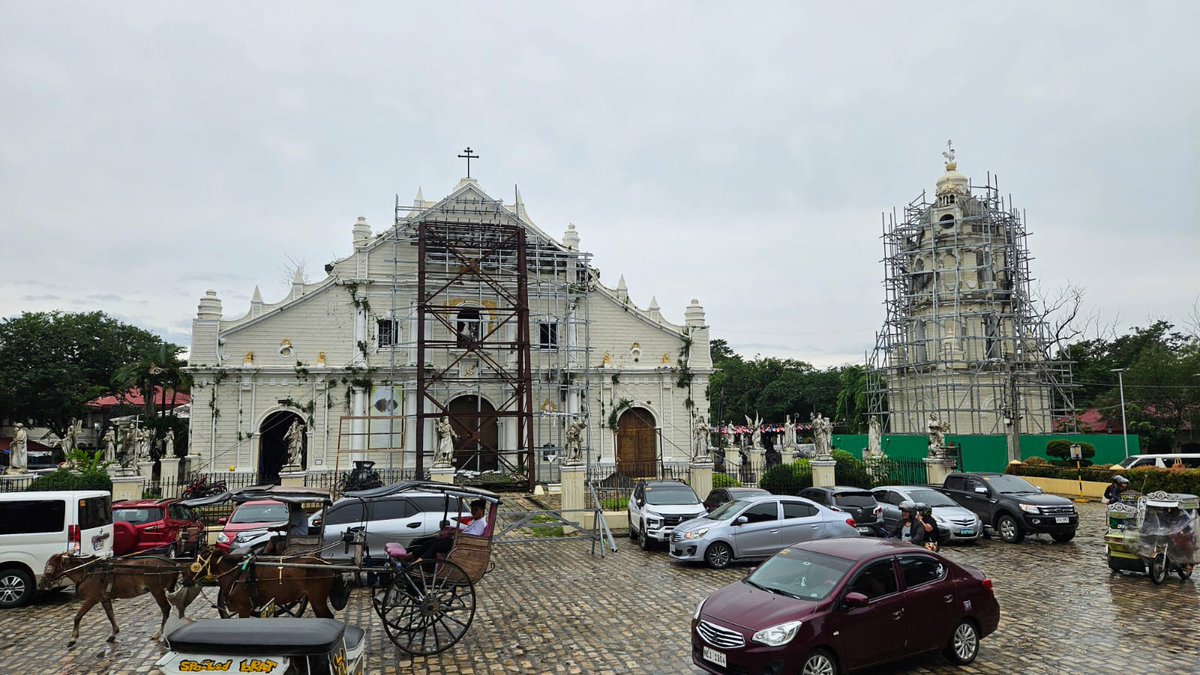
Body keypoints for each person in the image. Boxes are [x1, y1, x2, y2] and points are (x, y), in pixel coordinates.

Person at [402, 499, 488, 562]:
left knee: (435, 546)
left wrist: (458, 533)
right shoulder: (476, 521)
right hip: (458, 540)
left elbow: (471, 537)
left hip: (460, 544)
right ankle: (410, 556)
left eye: (476, 509)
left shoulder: (481, 523)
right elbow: (467, 531)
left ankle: (417, 562)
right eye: (472, 509)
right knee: (430, 542)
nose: (473, 512)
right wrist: (456, 530)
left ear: (482, 510)